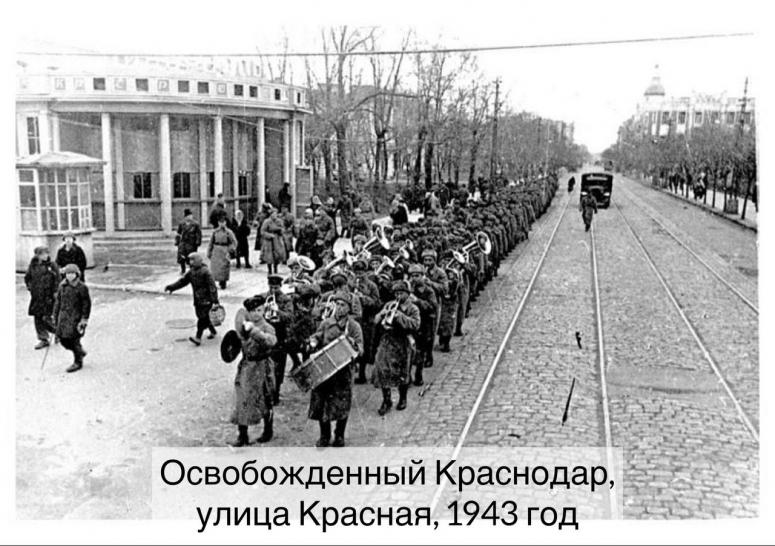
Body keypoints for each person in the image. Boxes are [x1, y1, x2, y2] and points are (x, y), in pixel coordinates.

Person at [307, 291, 363, 447]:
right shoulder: (326, 323)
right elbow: (317, 336)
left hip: (343, 370)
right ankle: (324, 435)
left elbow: (361, 349)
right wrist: (313, 341)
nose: (339, 308)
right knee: (321, 402)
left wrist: (352, 343)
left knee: (341, 404)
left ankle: (339, 435)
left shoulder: (353, 326)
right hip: (325, 368)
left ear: (349, 308)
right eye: (337, 304)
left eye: (343, 305)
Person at [229, 295, 277, 446]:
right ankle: (243, 436)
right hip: (247, 366)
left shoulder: (267, 327)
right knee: (242, 399)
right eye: (252, 311)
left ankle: (268, 431)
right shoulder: (244, 326)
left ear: (264, 310)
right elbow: (238, 341)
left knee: (265, 400)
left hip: (262, 367)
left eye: (259, 310)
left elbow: (271, 341)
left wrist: (254, 331)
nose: (256, 314)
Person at [372, 280, 421, 415]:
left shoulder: (413, 308)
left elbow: (416, 325)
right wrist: (382, 314)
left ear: (408, 294)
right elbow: (376, 321)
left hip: (403, 341)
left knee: (402, 371)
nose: (398, 296)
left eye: (401, 293)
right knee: (382, 370)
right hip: (387, 340)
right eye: (396, 293)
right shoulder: (389, 304)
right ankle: (386, 400)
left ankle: (402, 398)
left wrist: (400, 316)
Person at [165, 252, 219, 346]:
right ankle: (213, 331)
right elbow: (182, 281)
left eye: (192, 260)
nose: (190, 262)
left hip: (207, 299)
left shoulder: (206, 272)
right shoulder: (191, 272)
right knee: (203, 317)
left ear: (197, 260)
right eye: (190, 260)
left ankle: (198, 338)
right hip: (197, 299)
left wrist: (214, 300)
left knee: (202, 318)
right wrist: (172, 287)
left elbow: (212, 287)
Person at [52, 263, 91, 373]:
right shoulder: (62, 286)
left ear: (77, 274)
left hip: (76, 318)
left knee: (74, 340)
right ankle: (80, 352)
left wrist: (84, 319)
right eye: (68, 273)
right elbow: (58, 302)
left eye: (72, 273)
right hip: (63, 318)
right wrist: (55, 315)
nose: (69, 275)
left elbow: (86, 304)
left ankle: (78, 362)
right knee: (63, 340)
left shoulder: (81, 287)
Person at [264, 275, 294, 405]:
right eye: (271, 287)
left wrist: (278, 311)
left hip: (281, 335)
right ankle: (267, 392)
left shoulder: (286, 299)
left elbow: (290, 317)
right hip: (267, 333)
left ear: (280, 286)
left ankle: (276, 393)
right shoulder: (265, 296)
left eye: (276, 288)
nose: (273, 290)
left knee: (279, 367)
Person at [25, 246, 59, 350]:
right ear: (37, 255)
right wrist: (30, 288)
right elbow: (27, 277)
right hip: (37, 296)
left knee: (47, 317)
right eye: (42, 254)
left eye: (46, 253)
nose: (45, 256)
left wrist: (56, 291)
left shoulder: (52, 265)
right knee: (38, 318)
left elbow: (57, 279)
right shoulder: (33, 265)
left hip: (48, 296)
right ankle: (43, 339)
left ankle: (58, 332)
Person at [208, 213, 237, 289]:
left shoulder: (229, 232)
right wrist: (209, 252)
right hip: (216, 250)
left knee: (224, 267)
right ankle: (215, 281)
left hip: (225, 250)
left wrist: (230, 249)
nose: (222, 224)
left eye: (223, 222)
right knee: (215, 268)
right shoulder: (215, 232)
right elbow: (211, 243)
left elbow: (234, 242)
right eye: (220, 222)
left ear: (225, 223)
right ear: (218, 223)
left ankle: (223, 282)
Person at [175, 209, 202, 275]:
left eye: (191, 215)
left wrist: (198, 242)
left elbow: (199, 234)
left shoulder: (195, 224)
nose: (190, 217)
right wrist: (177, 242)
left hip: (191, 243)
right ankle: (183, 269)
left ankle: (192, 270)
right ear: (185, 217)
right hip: (183, 243)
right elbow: (178, 233)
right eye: (188, 216)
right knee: (181, 256)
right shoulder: (182, 224)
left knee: (191, 257)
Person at [260, 207, 286, 275]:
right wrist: (269, 235)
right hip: (269, 241)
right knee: (269, 256)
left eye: (276, 214)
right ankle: (269, 270)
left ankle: (275, 268)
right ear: (270, 214)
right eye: (273, 214)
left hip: (277, 240)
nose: (275, 215)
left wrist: (280, 231)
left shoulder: (279, 221)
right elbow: (262, 231)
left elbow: (283, 229)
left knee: (277, 255)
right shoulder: (266, 221)